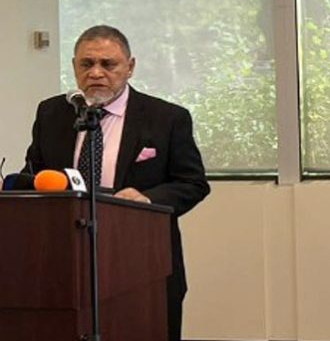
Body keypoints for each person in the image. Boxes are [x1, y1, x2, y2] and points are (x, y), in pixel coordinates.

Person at [23, 25, 210, 341]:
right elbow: (35, 174)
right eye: (86, 64)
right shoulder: (52, 112)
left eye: (108, 64)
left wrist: (148, 200)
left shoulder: (166, 118)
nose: (96, 73)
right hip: (64, 259)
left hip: (141, 259)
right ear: (74, 66)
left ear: (130, 67)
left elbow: (193, 183)